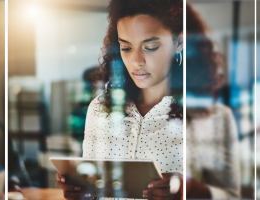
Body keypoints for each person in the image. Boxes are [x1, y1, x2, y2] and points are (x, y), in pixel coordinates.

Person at [56, 0, 183, 200]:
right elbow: (93, 188)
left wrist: (189, 192)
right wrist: (80, 192)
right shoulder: (99, 109)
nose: (136, 61)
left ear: (179, 43)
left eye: (150, 47)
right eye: (126, 48)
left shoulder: (201, 113)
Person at [185, 4, 240, 199]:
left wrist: (193, 190)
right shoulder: (103, 109)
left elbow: (231, 195)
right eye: (126, 47)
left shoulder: (215, 116)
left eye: (152, 47)